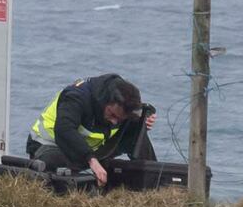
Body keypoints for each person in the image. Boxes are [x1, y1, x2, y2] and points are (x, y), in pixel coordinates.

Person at [35, 73, 177, 191]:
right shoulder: (76, 97)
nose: (114, 122)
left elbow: (142, 110)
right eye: (112, 115)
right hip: (49, 146)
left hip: (90, 151)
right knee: (56, 162)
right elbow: (64, 130)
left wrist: (144, 120)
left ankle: (155, 184)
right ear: (105, 101)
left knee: (137, 131)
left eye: (120, 119)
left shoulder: (120, 110)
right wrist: (91, 160)